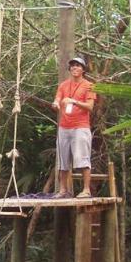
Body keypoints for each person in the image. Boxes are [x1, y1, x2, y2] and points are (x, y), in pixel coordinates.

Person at [52, 56, 97, 198]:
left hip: (80, 128)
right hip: (64, 127)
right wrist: (56, 104)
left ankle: (86, 190)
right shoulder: (63, 85)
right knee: (63, 160)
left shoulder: (89, 86)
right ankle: (63, 190)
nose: (74, 68)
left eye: (77, 66)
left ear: (83, 69)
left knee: (82, 158)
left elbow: (90, 107)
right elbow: (57, 99)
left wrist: (74, 101)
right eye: (72, 66)